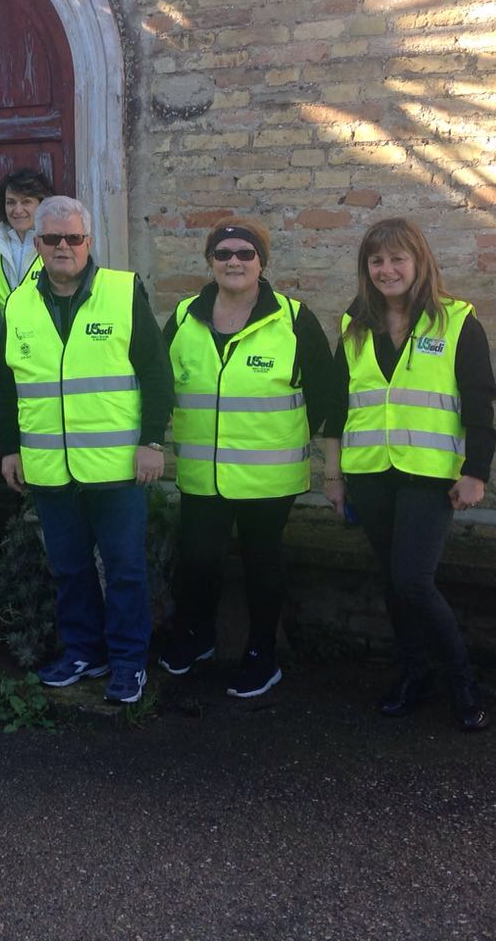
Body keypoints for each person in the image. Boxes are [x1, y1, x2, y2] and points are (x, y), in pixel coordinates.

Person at [0, 196, 174, 705]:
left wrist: (152, 441)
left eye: (73, 238)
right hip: (49, 467)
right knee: (69, 569)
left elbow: (156, 373)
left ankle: (128, 662)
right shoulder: (18, 304)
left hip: (116, 467)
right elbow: (4, 385)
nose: (63, 247)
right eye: (52, 238)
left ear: (88, 242)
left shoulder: (121, 292)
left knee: (124, 570)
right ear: (37, 244)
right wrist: (9, 449)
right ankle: (83, 652)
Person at [324, 217, 496, 732]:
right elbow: (336, 406)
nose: (387, 269)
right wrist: (333, 475)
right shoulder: (354, 326)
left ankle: (463, 686)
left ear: (419, 262)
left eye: (398, 258)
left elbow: (480, 403)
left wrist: (476, 473)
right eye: (376, 260)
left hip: (429, 475)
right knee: (392, 582)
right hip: (369, 474)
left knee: (413, 581)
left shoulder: (456, 321)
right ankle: (414, 676)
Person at [159, 220, 339, 697]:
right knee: (199, 558)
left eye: (245, 253)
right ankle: (199, 637)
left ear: (262, 262)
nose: (233, 261)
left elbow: (324, 390)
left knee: (263, 563)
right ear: (210, 262)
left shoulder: (293, 319)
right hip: (203, 473)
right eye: (222, 253)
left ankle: (262, 653)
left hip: (269, 477)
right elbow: (158, 382)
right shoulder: (184, 317)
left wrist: (289, 434)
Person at [0, 168, 52, 311]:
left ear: (42, 204)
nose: (18, 210)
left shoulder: (55, 245)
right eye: (11, 202)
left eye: (26, 202)